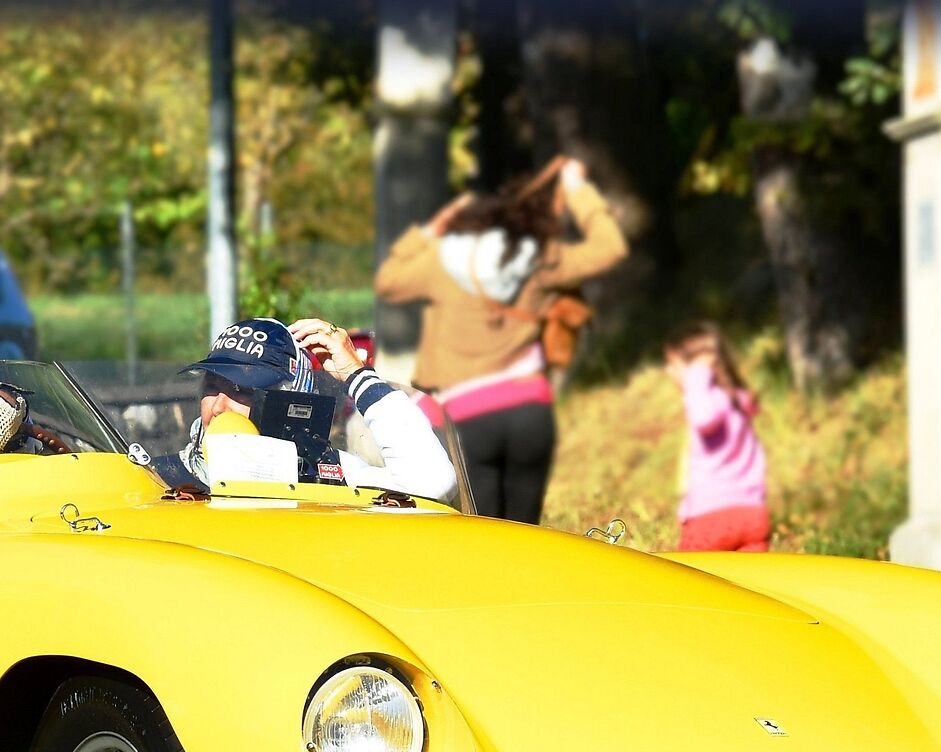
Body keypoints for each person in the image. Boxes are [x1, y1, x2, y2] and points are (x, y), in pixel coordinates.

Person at [372, 156, 627, 525]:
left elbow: (389, 280)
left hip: (466, 415)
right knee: (525, 531)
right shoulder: (540, 259)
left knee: (483, 532)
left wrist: (430, 230)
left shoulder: (440, 261)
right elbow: (610, 248)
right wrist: (577, 190)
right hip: (529, 410)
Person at [175, 316, 456, 502]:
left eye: (243, 389)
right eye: (211, 387)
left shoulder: (327, 473)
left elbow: (433, 482)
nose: (219, 406)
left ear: (293, 399)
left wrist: (356, 375)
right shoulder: (166, 476)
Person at [665, 321, 769, 552]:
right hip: (753, 515)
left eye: (673, 365)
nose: (668, 372)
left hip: (711, 518)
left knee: (688, 584)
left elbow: (704, 420)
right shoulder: (737, 400)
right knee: (747, 586)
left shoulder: (710, 401)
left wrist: (697, 375)